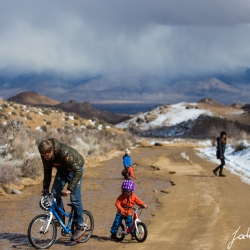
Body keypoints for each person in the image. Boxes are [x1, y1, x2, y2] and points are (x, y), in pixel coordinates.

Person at [38, 138, 85, 241]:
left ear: (52, 151)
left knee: (75, 199)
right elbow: (47, 171)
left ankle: (80, 226)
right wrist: (45, 187)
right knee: (55, 192)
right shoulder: (44, 155)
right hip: (62, 170)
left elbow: (78, 171)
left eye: (47, 155)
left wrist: (69, 189)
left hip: (75, 170)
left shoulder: (64, 153)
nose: (46, 158)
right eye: (43, 156)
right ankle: (60, 218)